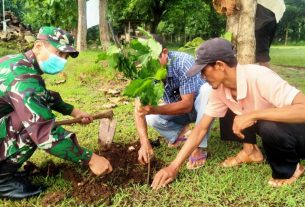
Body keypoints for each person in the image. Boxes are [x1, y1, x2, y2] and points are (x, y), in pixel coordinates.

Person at [151, 38, 305, 190]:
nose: (202, 77)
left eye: (203, 71)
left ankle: (291, 170)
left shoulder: (260, 76)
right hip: (282, 136)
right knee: (241, 111)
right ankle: (250, 152)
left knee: (266, 124)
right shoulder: (220, 90)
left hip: (299, 133)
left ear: (219, 66)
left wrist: (254, 115)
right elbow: (200, 129)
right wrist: (173, 166)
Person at [0, 26, 112, 199]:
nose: (63, 60)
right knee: (30, 122)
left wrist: (74, 112)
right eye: (59, 53)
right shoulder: (23, 78)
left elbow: (41, 95)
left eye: (66, 57)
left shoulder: (17, 63)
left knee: (31, 114)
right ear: (38, 47)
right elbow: (46, 134)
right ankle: (2, 180)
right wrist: (90, 158)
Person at [135, 35, 212, 170]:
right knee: (151, 118)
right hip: (178, 110)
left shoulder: (183, 63)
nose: (147, 63)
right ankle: (181, 134)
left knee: (207, 90)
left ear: (164, 53)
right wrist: (144, 143)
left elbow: (187, 105)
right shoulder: (145, 72)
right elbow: (138, 110)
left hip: (201, 107)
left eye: (151, 57)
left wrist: (153, 109)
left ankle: (198, 147)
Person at [255, 0, 286, 67]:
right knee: (262, 55)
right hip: (272, 18)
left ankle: (267, 76)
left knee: (262, 58)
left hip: (263, 21)